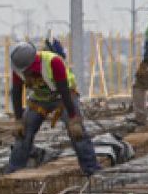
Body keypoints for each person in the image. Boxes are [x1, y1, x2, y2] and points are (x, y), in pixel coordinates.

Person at [6, 41, 101, 176]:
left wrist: (73, 118)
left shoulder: (53, 62)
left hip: (62, 97)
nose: (25, 73)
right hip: (39, 99)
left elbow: (64, 90)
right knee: (23, 134)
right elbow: (16, 92)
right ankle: (13, 173)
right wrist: (18, 120)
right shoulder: (18, 69)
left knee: (77, 133)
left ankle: (92, 170)